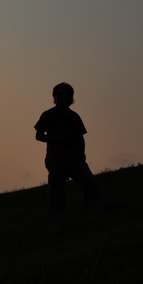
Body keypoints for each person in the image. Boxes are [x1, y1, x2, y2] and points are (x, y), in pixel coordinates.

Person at [34, 82, 99, 213]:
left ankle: (91, 212)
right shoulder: (48, 115)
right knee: (55, 190)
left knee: (89, 183)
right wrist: (55, 139)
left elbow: (81, 137)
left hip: (75, 158)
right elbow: (38, 135)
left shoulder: (74, 116)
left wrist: (82, 155)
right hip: (56, 158)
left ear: (70, 97)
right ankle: (57, 219)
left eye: (65, 94)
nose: (62, 96)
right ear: (54, 97)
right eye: (59, 94)